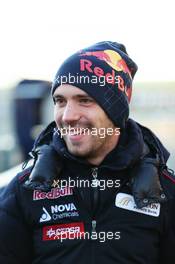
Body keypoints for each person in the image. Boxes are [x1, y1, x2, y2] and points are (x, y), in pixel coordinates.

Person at [0, 41, 175, 264]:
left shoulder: (164, 192)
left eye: (85, 100)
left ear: (116, 112)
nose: (68, 116)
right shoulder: (24, 190)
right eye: (60, 101)